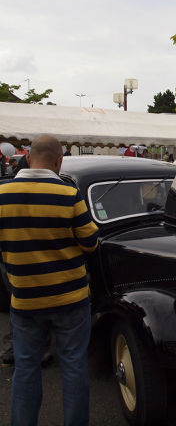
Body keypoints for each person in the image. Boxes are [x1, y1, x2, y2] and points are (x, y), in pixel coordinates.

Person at [0, 134, 99, 425]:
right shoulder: (68, 194)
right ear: (59, 161)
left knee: (27, 368)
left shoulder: (2, 194)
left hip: (25, 297)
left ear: (28, 158)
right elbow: (91, 242)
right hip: (71, 298)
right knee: (73, 366)